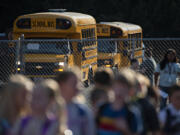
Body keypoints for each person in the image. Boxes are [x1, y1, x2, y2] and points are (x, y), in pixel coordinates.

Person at [96, 69, 141, 135]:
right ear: (112, 87)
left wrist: (125, 130)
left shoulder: (131, 113)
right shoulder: (102, 108)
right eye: (118, 86)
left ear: (130, 91)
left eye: (124, 87)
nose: (120, 91)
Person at [55, 69, 96, 135]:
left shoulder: (82, 111)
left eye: (79, 82)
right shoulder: (51, 108)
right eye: (73, 83)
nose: (78, 86)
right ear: (62, 85)